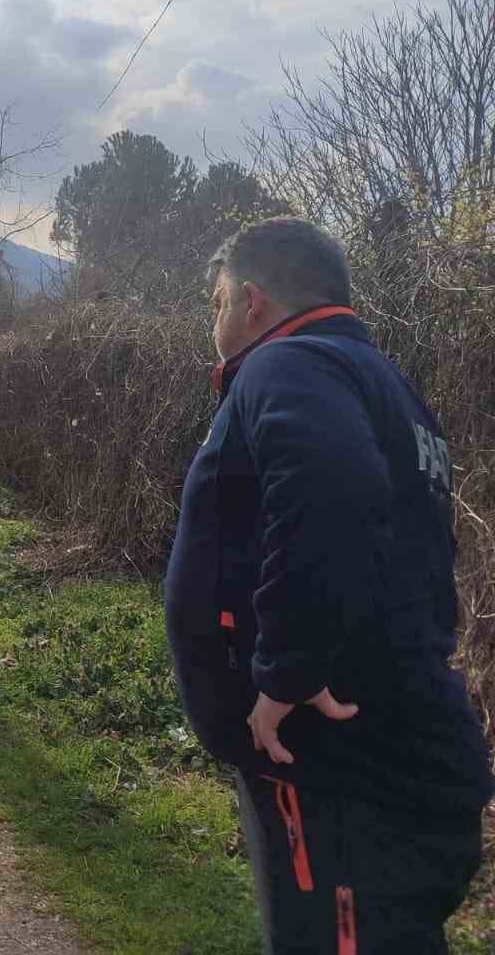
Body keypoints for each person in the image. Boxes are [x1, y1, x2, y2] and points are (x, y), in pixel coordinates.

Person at [164, 217, 491, 954]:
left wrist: (288, 670)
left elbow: (335, 493)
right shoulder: (385, 384)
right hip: (394, 746)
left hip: (336, 767)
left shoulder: (287, 363)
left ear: (251, 301)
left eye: (217, 302)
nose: (216, 320)